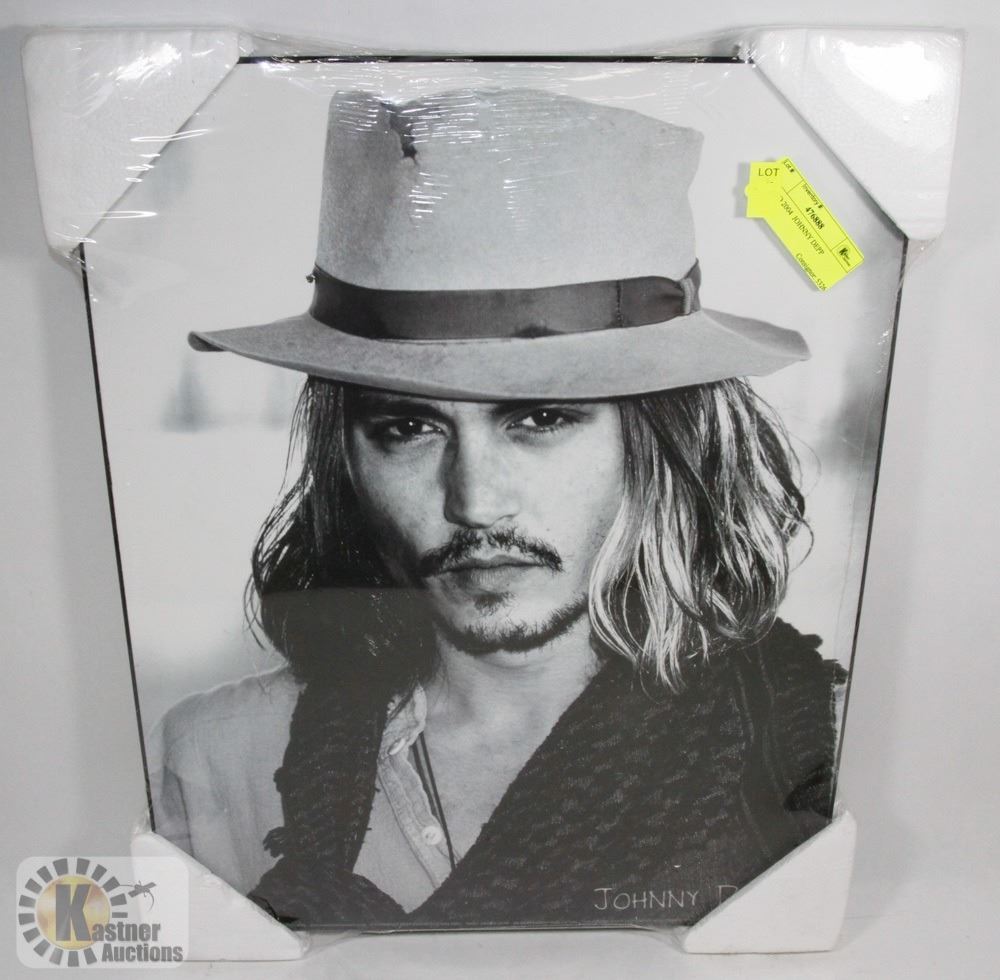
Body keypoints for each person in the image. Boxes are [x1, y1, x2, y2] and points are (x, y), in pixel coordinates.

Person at [151, 87, 846, 930]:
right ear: (347, 460)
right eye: (408, 428)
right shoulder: (219, 756)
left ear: (657, 442)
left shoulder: (811, 740)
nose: (474, 502)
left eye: (540, 420)